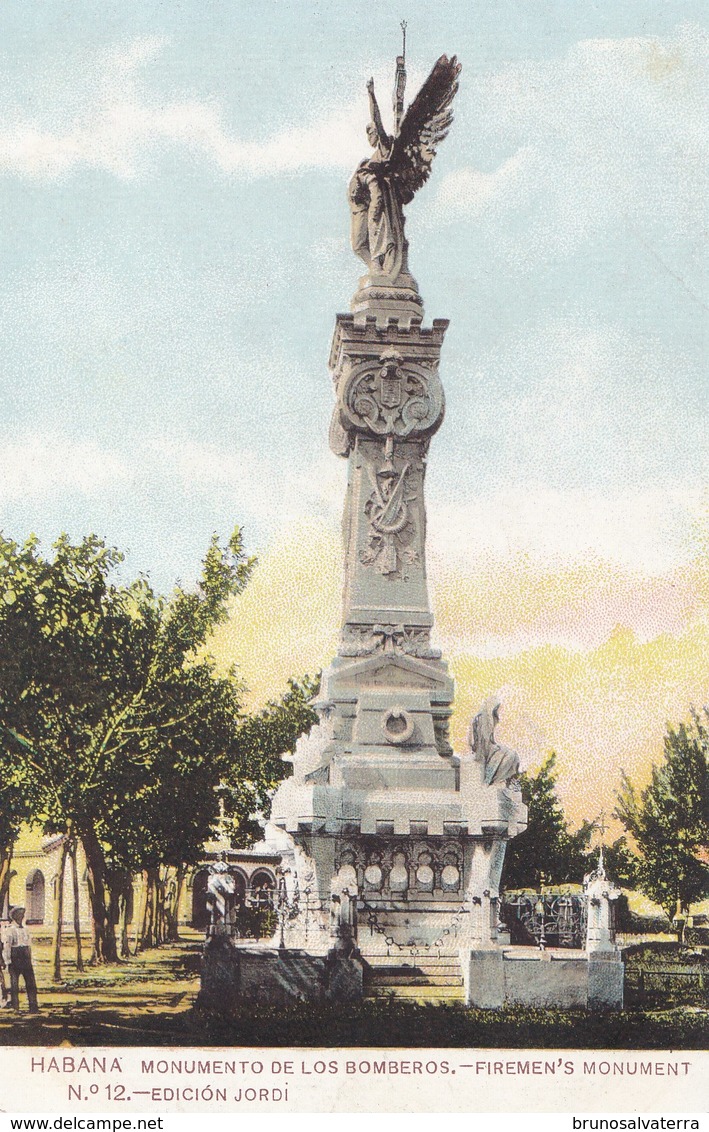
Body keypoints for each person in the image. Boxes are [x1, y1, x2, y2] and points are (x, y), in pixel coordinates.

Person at [6, 906, 39, 1013]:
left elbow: (28, 945)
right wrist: (8, 961)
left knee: (31, 983)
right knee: (14, 984)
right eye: (19, 915)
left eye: (23, 915)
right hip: (15, 958)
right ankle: (16, 1007)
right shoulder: (10, 930)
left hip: (25, 958)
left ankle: (33, 1006)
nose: (22, 917)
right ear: (14, 916)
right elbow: (7, 946)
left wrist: (30, 958)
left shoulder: (26, 929)